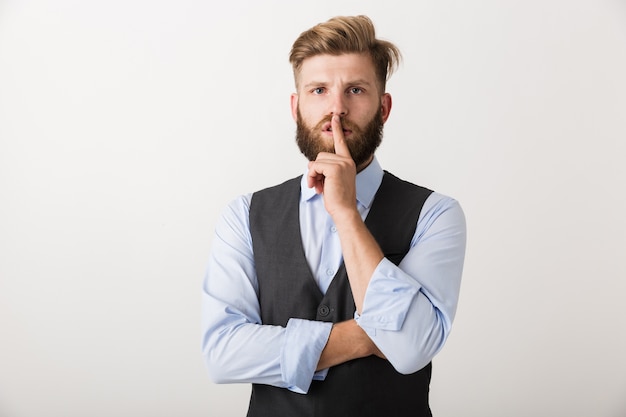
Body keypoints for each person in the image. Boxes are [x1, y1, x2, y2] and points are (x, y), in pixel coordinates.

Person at [201, 15, 466, 417]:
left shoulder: (435, 214)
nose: (336, 109)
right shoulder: (245, 215)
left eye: (356, 90)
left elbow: (410, 351)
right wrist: (366, 335)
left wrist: (345, 212)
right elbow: (222, 354)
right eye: (319, 90)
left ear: (384, 108)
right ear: (296, 107)